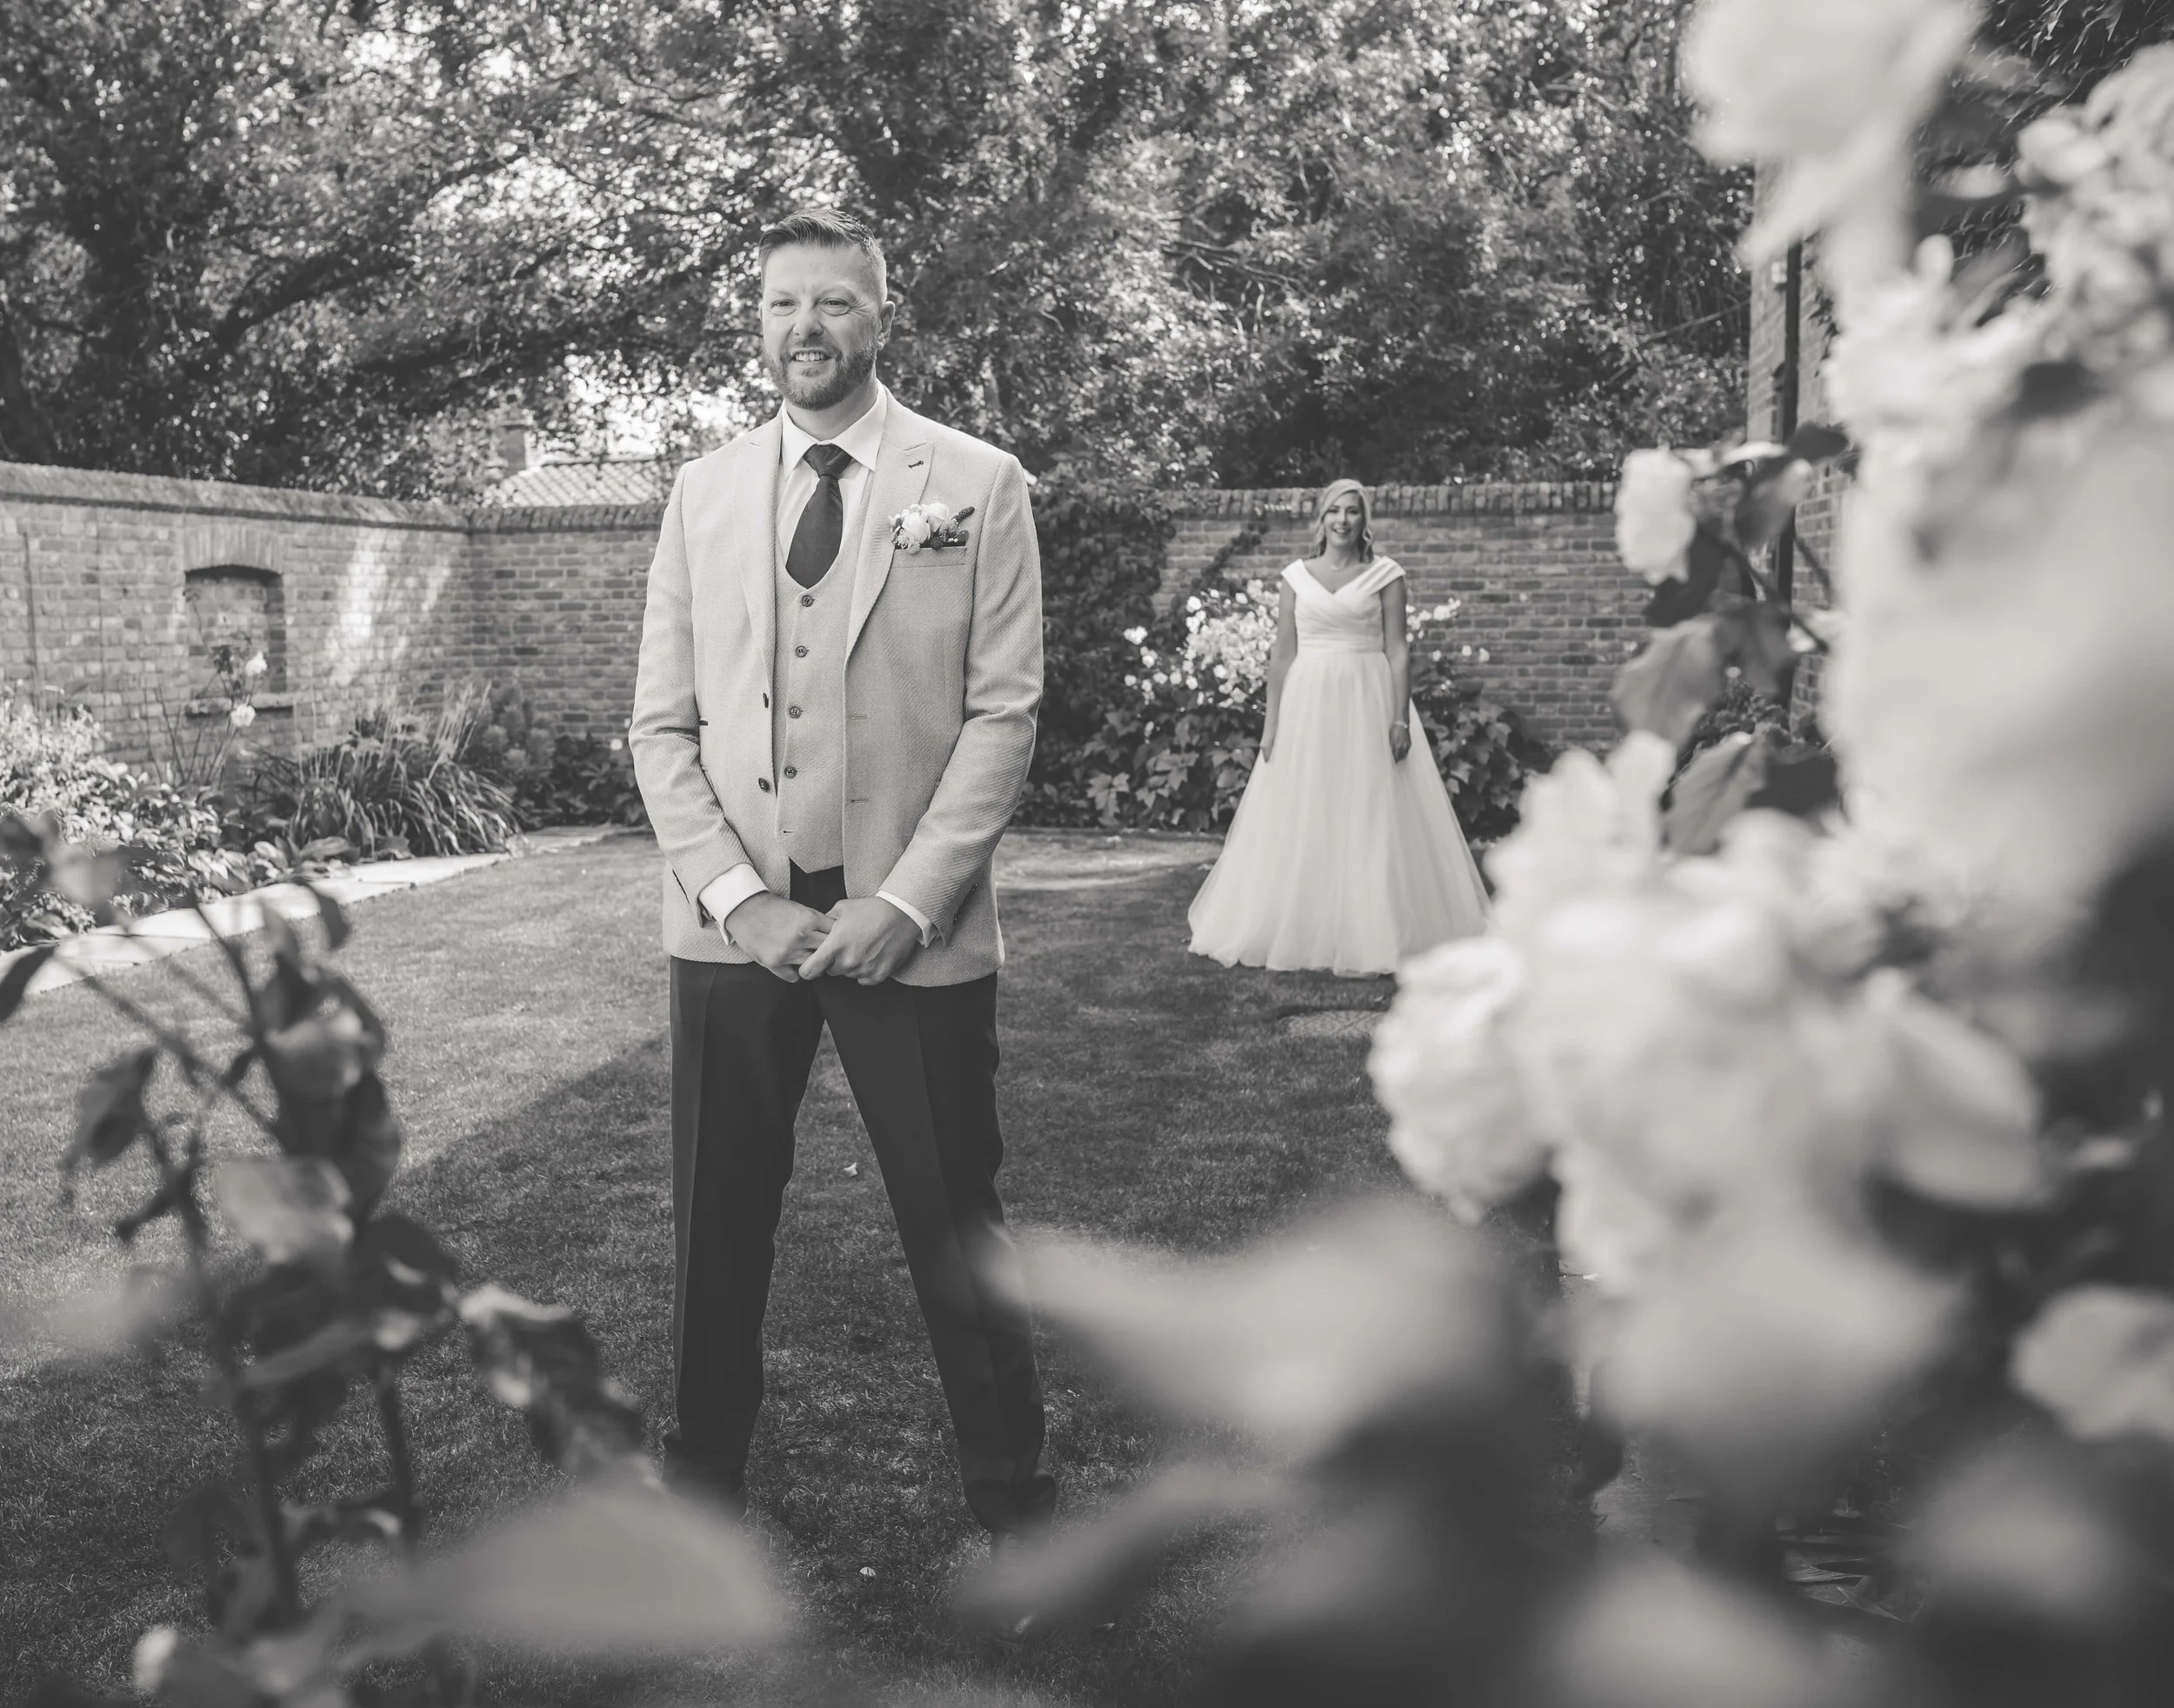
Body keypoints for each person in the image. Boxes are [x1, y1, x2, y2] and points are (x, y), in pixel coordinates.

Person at [629, 210, 1055, 1546]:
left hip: (907, 935)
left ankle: (1014, 1509)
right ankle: (699, 1502)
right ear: (754, 322)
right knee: (716, 1236)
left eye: (832, 303)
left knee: (956, 1229)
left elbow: (1004, 715)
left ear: (883, 315)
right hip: (732, 937)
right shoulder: (700, 491)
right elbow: (661, 726)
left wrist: (906, 904)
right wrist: (739, 903)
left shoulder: (979, 483)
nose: (803, 328)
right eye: (778, 305)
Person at [1187, 477, 1490, 977]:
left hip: (1368, 699)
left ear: (1363, 521)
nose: (1343, 520)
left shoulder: (1386, 575)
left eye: (1352, 512)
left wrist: (1399, 717)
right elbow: (1282, 654)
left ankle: (1377, 926)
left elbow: (1397, 651)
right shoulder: (1295, 577)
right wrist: (1272, 723)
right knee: (1308, 808)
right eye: (1335, 511)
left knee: (1371, 810)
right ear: (1322, 519)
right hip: (1309, 703)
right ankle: (1303, 923)